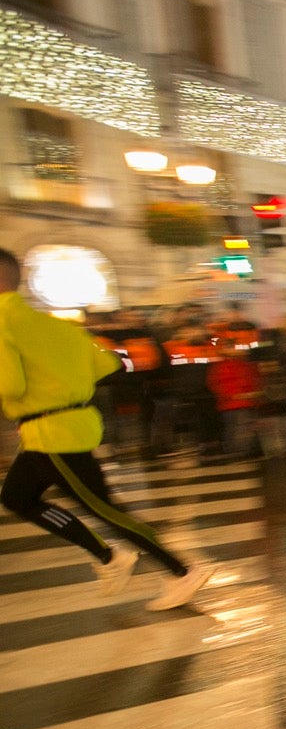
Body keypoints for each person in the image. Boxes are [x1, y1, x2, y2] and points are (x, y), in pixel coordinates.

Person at [0, 247, 215, 611]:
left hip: (52, 433)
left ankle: (182, 570)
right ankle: (109, 556)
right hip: (62, 427)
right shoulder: (56, 325)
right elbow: (110, 366)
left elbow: (10, 387)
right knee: (16, 498)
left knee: (106, 510)